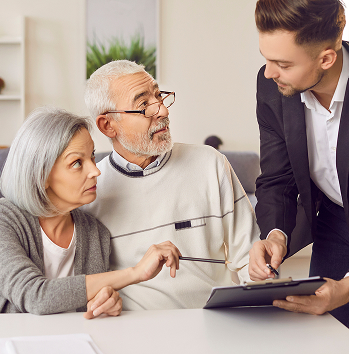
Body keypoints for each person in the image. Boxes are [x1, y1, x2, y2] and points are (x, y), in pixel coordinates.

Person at [83, 60, 260, 310]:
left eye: (159, 96)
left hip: (211, 323)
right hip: (131, 332)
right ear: (107, 125)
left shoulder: (211, 163)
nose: (163, 111)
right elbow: (83, 283)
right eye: (143, 104)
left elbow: (249, 258)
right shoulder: (90, 189)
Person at [248, 0, 349, 333]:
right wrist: (274, 234)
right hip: (335, 220)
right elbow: (277, 177)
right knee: (320, 334)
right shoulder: (271, 85)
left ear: (326, 58)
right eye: (266, 58)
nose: (270, 73)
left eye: (282, 63)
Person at [0, 107, 180, 317]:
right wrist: (136, 273)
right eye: (77, 163)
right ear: (42, 174)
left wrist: (107, 302)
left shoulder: (95, 233)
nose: (95, 171)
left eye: (92, 157)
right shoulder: (5, 221)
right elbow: (36, 296)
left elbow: (90, 302)